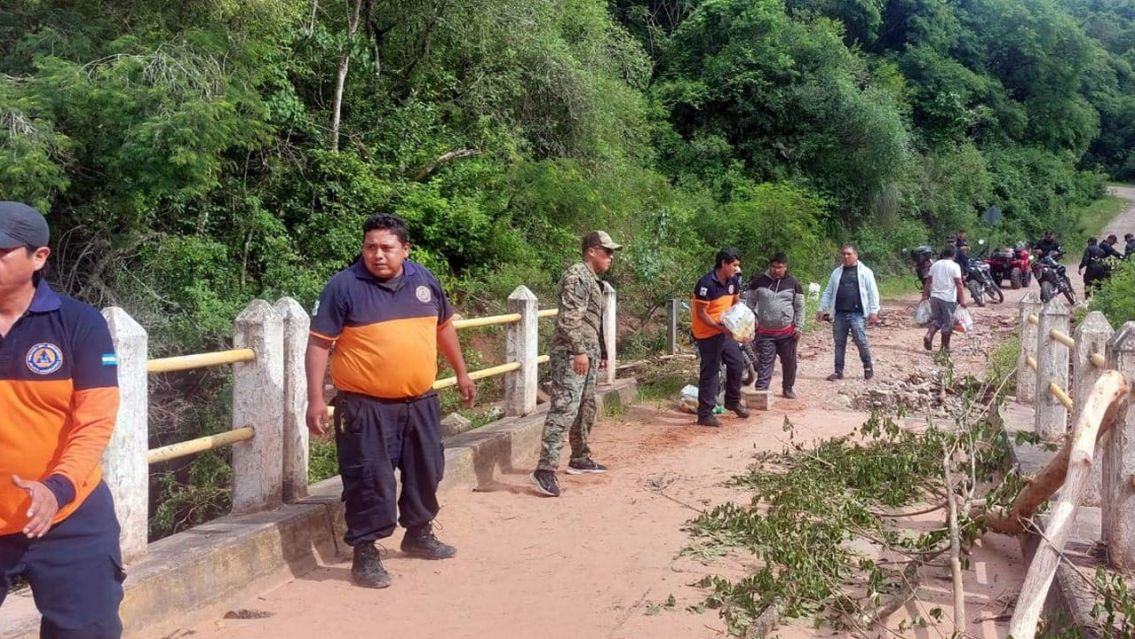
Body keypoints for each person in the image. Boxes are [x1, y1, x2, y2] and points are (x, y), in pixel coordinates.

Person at [305, 213, 476, 590]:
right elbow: (319, 343)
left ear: (405, 249)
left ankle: (418, 533)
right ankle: (365, 553)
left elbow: (443, 328)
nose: (377, 255)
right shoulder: (343, 286)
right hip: (365, 407)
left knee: (426, 470)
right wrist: (316, 398)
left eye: (386, 247)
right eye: (370, 247)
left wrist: (461, 372)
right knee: (369, 479)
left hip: (421, 401)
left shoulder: (424, 280)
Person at [0, 202, 125, 637]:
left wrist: (57, 488)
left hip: (69, 515)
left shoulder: (79, 325)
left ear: (39, 258)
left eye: (0, 252)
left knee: (86, 630)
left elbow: (94, 422)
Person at [531, 231, 621, 498]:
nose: (611, 257)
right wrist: (580, 351)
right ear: (591, 251)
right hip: (572, 353)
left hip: (587, 351)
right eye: (606, 251)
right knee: (565, 407)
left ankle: (580, 457)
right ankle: (545, 469)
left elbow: (592, 321)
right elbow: (569, 320)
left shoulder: (594, 281)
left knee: (585, 405)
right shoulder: (577, 277)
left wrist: (599, 351)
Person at [692, 248, 750, 428]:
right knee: (710, 372)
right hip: (707, 333)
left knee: (737, 363)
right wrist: (719, 328)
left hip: (725, 331)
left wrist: (742, 323)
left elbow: (735, 303)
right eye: (734, 264)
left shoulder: (734, 281)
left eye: (738, 264)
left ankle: (732, 401)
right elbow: (701, 314)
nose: (737, 268)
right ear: (723, 264)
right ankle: (705, 414)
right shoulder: (706, 284)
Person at [817, 244, 880, 381]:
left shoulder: (865, 272)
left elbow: (873, 292)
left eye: (849, 254)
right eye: (843, 254)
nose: (846, 256)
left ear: (856, 255)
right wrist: (821, 308)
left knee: (861, 341)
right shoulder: (836, 273)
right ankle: (838, 371)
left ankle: (867, 366)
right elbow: (828, 291)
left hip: (857, 313)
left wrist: (874, 311)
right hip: (839, 313)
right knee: (839, 343)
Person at [747, 253, 804, 399]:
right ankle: (761, 391)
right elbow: (750, 302)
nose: (776, 270)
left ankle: (788, 388)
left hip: (787, 332)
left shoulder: (793, 283)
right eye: (773, 266)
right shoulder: (759, 281)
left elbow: (799, 307)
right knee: (765, 362)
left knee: (789, 362)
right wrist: (752, 319)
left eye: (779, 267)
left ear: (786, 267)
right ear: (769, 266)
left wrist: (799, 327)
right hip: (764, 332)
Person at [922, 245, 966, 353]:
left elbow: (928, 282)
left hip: (935, 297)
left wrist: (925, 295)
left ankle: (929, 335)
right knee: (948, 323)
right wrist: (963, 299)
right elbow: (959, 283)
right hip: (947, 299)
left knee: (936, 319)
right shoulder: (954, 266)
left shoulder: (935, 265)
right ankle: (945, 347)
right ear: (954, 255)